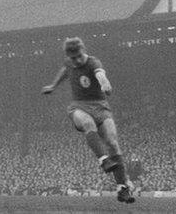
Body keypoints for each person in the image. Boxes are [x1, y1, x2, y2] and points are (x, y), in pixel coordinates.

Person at [41, 37, 135, 204]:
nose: (76, 60)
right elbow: (65, 71)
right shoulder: (69, 62)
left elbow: (100, 74)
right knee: (88, 124)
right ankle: (103, 160)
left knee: (113, 143)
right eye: (72, 58)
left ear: (83, 50)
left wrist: (105, 84)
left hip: (100, 106)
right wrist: (53, 86)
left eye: (78, 56)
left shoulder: (93, 62)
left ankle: (123, 189)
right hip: (79, 106)